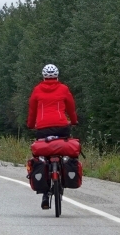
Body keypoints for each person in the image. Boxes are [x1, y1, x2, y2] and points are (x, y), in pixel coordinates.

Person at [26, 63, 78, 209]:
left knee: (42, 156)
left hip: (42, 128)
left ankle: (44, 192)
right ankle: (63, 168)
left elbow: (32, 110)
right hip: (62, 126)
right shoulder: (64, 89)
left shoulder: (37, 90)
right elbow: (71, 108)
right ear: (57, 76)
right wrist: (73, 121)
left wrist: (31, 125)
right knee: (63, 149)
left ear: (43, 76)